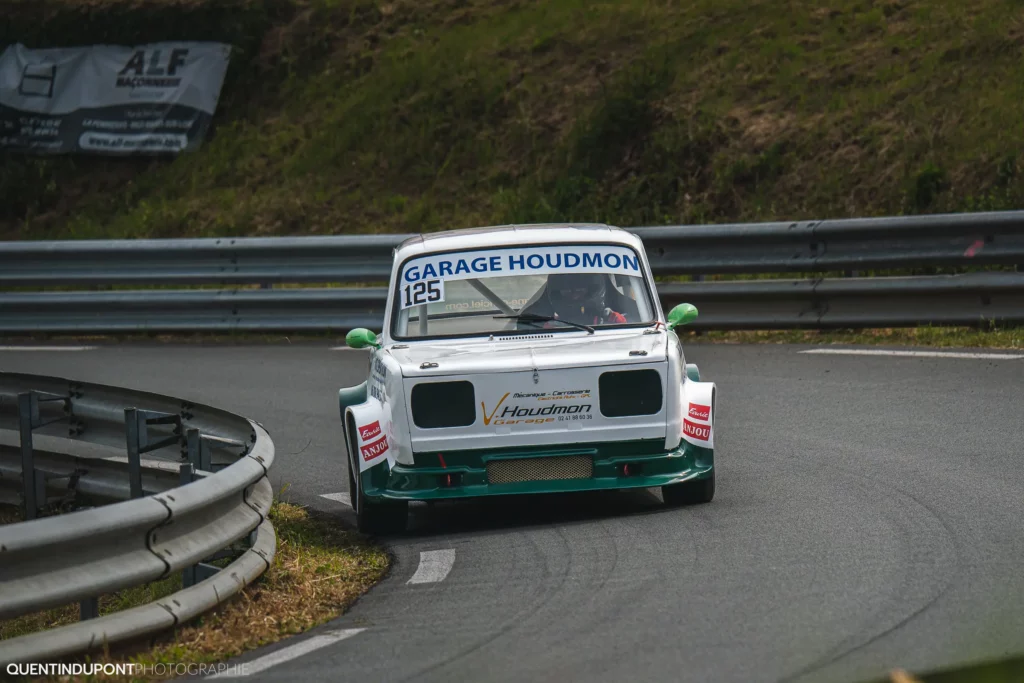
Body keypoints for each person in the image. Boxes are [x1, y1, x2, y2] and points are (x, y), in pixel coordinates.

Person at [520, 272, 629, 327]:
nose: (574, 296)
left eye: (580, 291)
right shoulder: (543, 326)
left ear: (592, 290)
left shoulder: (616, 320)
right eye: (567, 292)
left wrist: (613, 322)